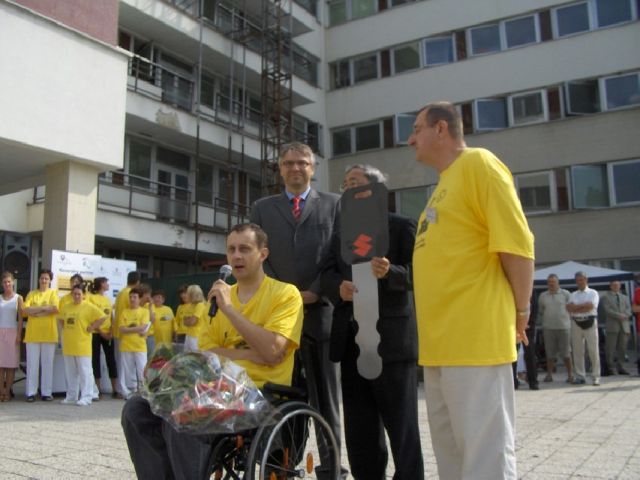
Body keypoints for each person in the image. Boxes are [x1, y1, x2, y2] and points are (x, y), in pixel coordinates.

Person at [408, 101, 534, 480]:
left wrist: (522, 311)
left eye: (417, 129)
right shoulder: (443, 185)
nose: (411, 139)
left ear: (441, 129)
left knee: (485, 456)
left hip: (474, 340)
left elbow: (516, 245)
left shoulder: (479, 164)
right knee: (452, 459)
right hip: (439, 347)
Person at [121, 223, 303, 479]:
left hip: (260, 393)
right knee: (136, 409)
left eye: (244, 249)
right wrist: (252, 353)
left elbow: (273, 352)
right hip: (216, 388)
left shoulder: (285, 294)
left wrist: (230, 311)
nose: (236, 256)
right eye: (231, 249)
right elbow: (207, 356)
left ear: (263, 254)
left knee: (184, 418)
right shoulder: (217, 300)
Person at [324, 165, 424, 480]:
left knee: (402, 426)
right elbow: (326, 274)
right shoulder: (340, 234)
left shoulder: (402, 226)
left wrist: (391, 272)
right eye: (345, 184)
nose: (348, 188)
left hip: (391, 344)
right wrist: (337, 287)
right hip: (352, 344)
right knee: (360, 429)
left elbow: (421, 273)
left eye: (355, 182)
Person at [249, 141, 343, 456]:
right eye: (288, 163)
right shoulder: (262, 208)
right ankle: (281, 468)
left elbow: (337, 254)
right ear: (280, 169)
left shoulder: (334, 204)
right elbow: (257, 256)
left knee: (326, 402)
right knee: (280, 399)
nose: (295, 168)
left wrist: (316, 289)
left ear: (312, 168)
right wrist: (285, 296)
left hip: (320, 315)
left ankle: (332, 469)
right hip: (277, 320)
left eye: (302, 162)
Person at [58, 284, 107, 406]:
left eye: (79, 294)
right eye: (74, 294)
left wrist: (92, 327)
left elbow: (103, 317)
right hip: (69, 344)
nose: (76, 296)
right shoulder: (66, 306)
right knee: (70, 373)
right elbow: (60, 319)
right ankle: (71, 396)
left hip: (82, 345)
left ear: (83, 295)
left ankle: (87, 396)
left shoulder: (88, 306)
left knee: (85, 372)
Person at [22, 268, 60, 402]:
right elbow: (25, 309)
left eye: (46, 278)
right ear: (38, 279)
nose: (44, 280)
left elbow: (55, 309)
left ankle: (46, 393)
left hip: (49, 334)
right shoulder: (32, 294)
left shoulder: (53, 293)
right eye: (42, 278)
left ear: (50, 281)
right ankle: (30, 393)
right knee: (32, 365)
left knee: (47, 365)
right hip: (32, 334)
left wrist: (36, 311)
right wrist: (44, 308)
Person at [567, 271, 601, 386]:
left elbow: (591, 306)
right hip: (576, 322)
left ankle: (596, 376)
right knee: (577, 351)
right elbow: (569, 308)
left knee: (593, 350)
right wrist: (583, 306)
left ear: (586, 280)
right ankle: (580, 376)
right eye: (577, 280)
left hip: (590, 321)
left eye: (581, 280)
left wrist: (576, 307)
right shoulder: (573, 294)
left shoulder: (593, 293)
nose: (580, 282)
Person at [538, 274, 573, 383]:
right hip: (548, 328)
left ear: (558, 282)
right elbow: (541, 310)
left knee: (566, 353)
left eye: (553, 282)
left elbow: (571, 308)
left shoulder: (566, 294)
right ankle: (549, 375)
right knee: (550, 353)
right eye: (549, 282)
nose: (551, 284)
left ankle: (570, 375)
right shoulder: (543, 296)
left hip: (564, 327)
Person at [87, 277, 118, 398]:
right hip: (96, 333)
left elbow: (111, 316)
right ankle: (97, 390)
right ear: (101, 284)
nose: (108, 284)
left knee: (111, 360)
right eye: (106, 282)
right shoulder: (91, 298)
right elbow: (91, 317)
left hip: (108, 334)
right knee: (96, 361)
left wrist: (111, 331)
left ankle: (115, 390)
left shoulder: (108, 299)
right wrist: (101, 332)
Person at [118, 287, 150, 399]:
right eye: (130, 297)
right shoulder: (124, 312)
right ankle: (131, 392)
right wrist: (136, 329)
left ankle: (143, 392)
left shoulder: (144, 312)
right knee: (129, 371)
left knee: (142, 369)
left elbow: (143, 327)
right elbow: (121, 329)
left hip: (140, 346)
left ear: (139, 299)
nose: (132, 299)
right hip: (126, 346)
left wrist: (129, 329)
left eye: (135, 297)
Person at [114, 271, 140, 396]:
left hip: (119, 332)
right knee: (125, 365)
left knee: (122, 364)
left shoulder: (120, 292)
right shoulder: (129, 293)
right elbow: (131, 310)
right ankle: (123, 389)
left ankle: (122, 389)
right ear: (138, 282)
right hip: (126, 334)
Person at [0, 272, 24, 402]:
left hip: (12, 332)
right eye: (5, 282)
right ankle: (1, 391)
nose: (7, 284)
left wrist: (19, 334)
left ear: (13, 282)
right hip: (0, 331)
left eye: (9, 281)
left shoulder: (18, 298)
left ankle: (7, 391)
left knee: (10, 365)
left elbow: (20, 318)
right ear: (2, 284)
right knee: (0, 365)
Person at [601, 280, 632, 376]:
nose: (616, 287)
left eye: (618, 285)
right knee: (610, 348)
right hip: (612, 326)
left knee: (622, 347)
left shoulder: (625, 297)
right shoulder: (606, 297)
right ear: (610, 286)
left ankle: (621, 366)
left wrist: (626, 315)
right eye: (614, 285)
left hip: (624, 326)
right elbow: (608, 310)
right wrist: (620, 316)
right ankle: (610, 367)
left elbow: (629, 309)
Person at [181, 284, 208, 352]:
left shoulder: (200, 305)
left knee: (196, 355)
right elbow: (184, 322)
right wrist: (189, 320)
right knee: (187, 355)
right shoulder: (190, 305)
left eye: (188, 293)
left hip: (196, 336)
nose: (186, 295)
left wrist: (189, 320)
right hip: (189, 334)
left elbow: (192, 322)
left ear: (193, 294)